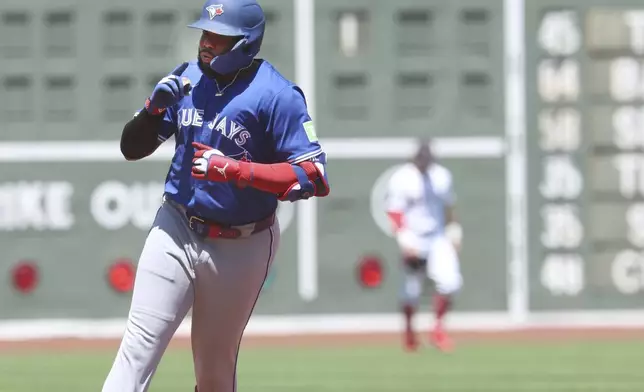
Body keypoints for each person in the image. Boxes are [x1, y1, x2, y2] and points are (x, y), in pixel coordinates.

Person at [101, 0, 330, 391]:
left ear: (245, 43)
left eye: (217, 37)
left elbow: (313, 176)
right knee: (137, 349)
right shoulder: (188, 79)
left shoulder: (277, 95)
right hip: (176, 226)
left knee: (214, 373)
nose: (205, 42)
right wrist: (151, 111)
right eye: (204, 33)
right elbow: (131, 148)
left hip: (242, 242)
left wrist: (237, 171)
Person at [384, 138, 462, 352]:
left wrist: (454, 232)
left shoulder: (442, 176)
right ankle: (410, 332)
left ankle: (438, 330)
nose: (424, 160)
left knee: (450, 282)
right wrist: (404, 241)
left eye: (428, 156)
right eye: (421, 156)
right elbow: (394, 212)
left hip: (437, 236)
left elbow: (449, 207)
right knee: (410, 291)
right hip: (413, 237)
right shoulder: (402, 178)